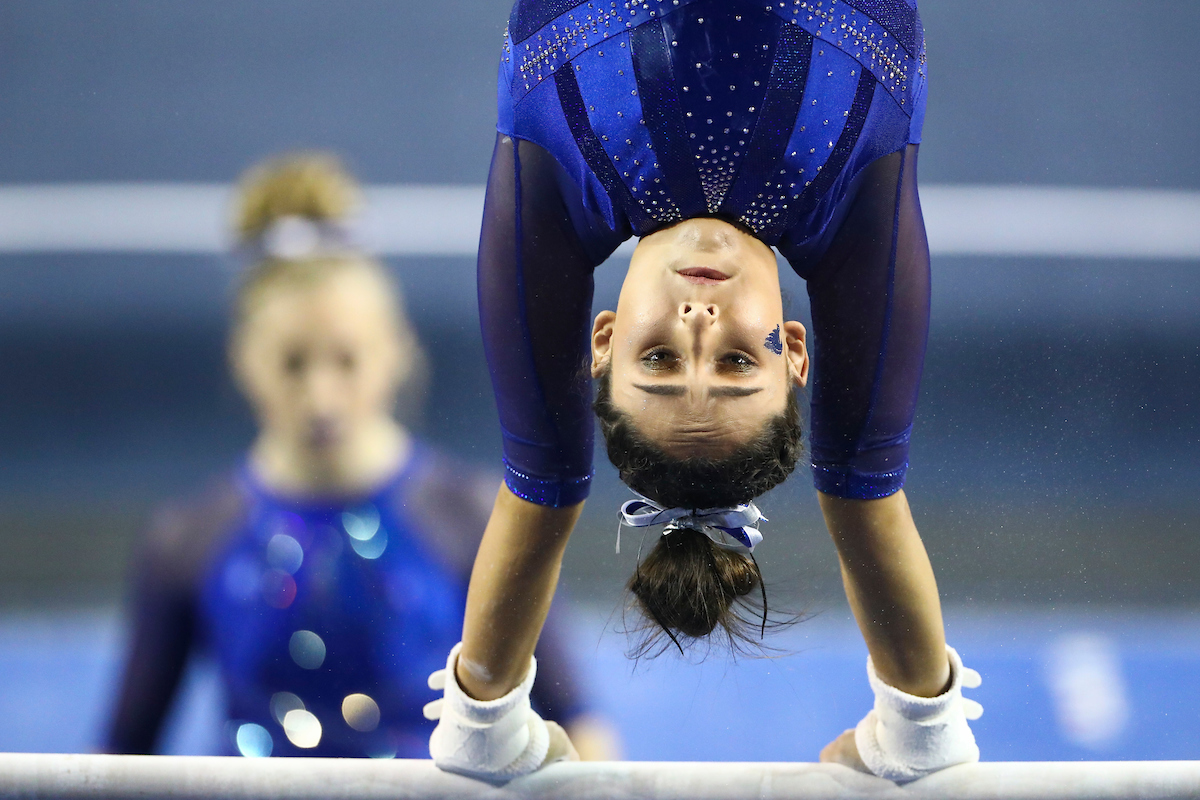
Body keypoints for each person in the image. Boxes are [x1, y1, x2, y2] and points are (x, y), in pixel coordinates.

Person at [426, 0, 982, 784]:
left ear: (604, 340)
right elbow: (864, 489)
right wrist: (916, 728)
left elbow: (542, 487)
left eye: (657, 359)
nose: (696, 322)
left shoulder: (555, 177)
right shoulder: (853, 200)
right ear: (794, 351)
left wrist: (486, 726)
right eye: (732, 364)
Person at [105, 154, 617, 760]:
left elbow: (581, 727)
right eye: (293, 364)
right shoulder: (186, 539)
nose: (321, 398)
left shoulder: (477, 518)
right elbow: (119, 759)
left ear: (394, 354)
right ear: (245, 361)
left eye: (346, 361)